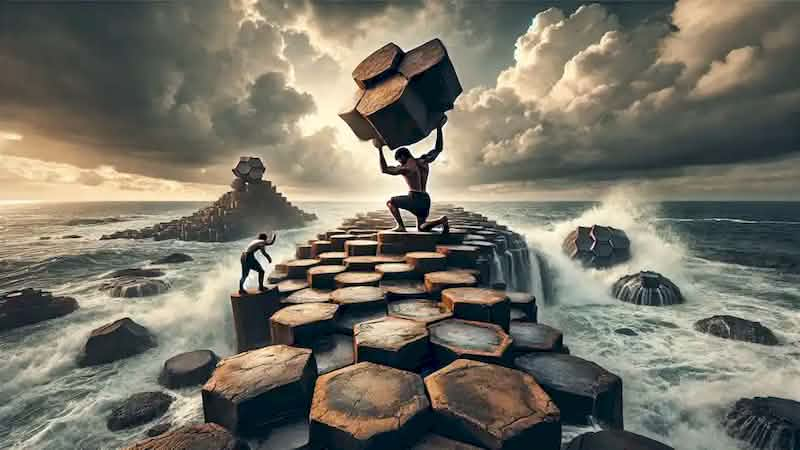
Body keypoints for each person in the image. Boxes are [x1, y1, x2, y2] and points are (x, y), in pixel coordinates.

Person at [374, 115, 450, 233]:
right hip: (425, 199)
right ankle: (441, 220)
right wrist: (439, 128)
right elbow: (438, 149)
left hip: (414, 198)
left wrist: (379, 149)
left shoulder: (406, 168)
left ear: (402, 157)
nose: (399, 163)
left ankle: (401, 226)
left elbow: (384, 169)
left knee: (391, 202)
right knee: (421, 227)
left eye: (398, 160)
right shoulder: (424, 160)